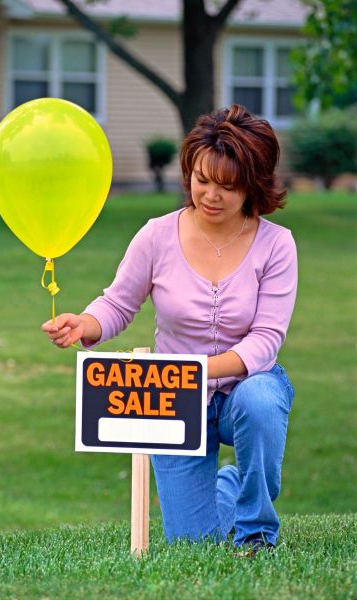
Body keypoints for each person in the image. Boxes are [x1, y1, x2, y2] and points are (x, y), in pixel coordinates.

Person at [41, 104, 297, 557]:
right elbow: (119, 302)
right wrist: (85, 323)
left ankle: (257, 531)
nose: (210, 195)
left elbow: (266, 339)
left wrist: (193, 371)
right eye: (202, 180)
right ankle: (229, 483)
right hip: (173, 399)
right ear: (188, 172)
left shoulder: (277, 244)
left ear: (252, 186)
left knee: (259, 401)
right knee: (194, 545)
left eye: (227, 186)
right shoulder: (156, 235)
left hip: (246, 387)